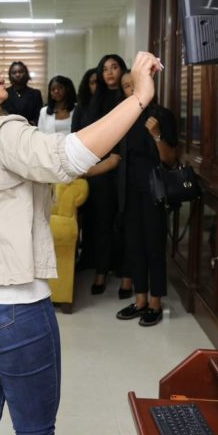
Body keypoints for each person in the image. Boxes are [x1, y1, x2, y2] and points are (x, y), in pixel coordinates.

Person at [0, 48, 160, 435]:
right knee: (35, 433)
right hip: (11, 306)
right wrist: (140, 96)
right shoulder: (0, 131)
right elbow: (68, 155)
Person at [115, 72, 178, 327]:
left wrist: (156, 134)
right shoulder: (123, 117)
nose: (130, 90)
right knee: (134, 246)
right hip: (128, 190)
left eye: (134, 85)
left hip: (154, 190)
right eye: (126, 87)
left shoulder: (162, 116)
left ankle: (155, 302)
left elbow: (170, 159)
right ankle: (140, 300)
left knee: (153, 246)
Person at [79, 53, 131, 297]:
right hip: (100, 168)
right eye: (106, 69)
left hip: (125, 167)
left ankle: (123, 270)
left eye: (115, 67)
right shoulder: (93, 101)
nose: (110, 73)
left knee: (123, 222)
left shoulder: (129, 98)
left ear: (123, 70)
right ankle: (100, 271)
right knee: (100, 222)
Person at [0, 61, 43, 125]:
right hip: (8, 130)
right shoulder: (4, 93)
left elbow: (39, 118)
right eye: (14, 72)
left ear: (26, 73)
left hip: (29, 131)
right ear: (10, 75)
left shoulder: (35, 94)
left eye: (20, 72)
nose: (17, 74)